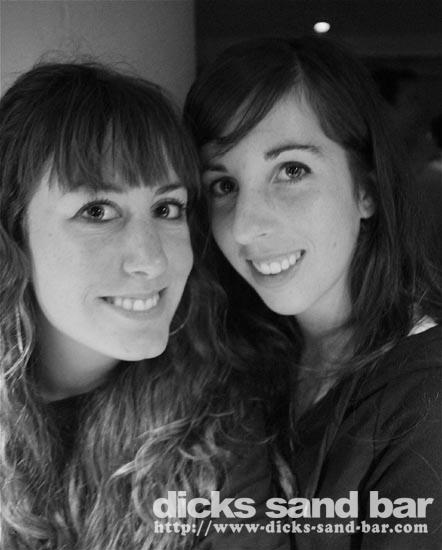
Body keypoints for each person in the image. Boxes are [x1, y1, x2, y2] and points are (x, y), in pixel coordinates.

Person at [0, 62, 290, 550]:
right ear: (13, 234)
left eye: (167, 209)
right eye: (97, 211)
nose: (152, 260)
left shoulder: (221, 428)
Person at [184, 36, 442, 549]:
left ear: (366, 189)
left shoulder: (424, 402)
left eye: (291, 170)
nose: (245, 226)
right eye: (223, 185)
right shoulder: (247, 357)